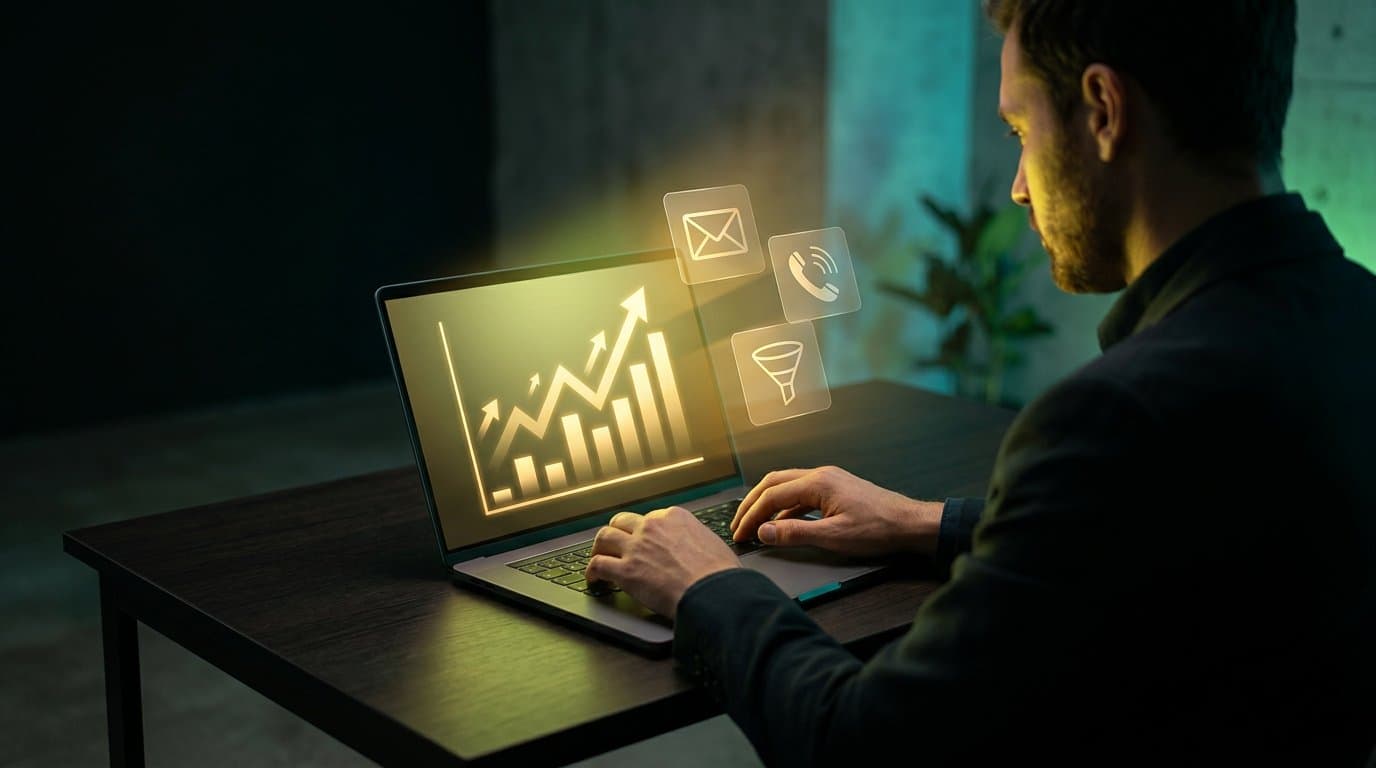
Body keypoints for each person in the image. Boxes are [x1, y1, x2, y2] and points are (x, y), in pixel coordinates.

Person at [584, 1, 1376, 764]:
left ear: (1102, 109)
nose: (1018, 186)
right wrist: (926, 523)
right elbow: (1172, 535)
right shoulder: (1354, 319)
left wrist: (710, 586)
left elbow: (860, 744)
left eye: (1021, 131)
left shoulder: (1118, 418)